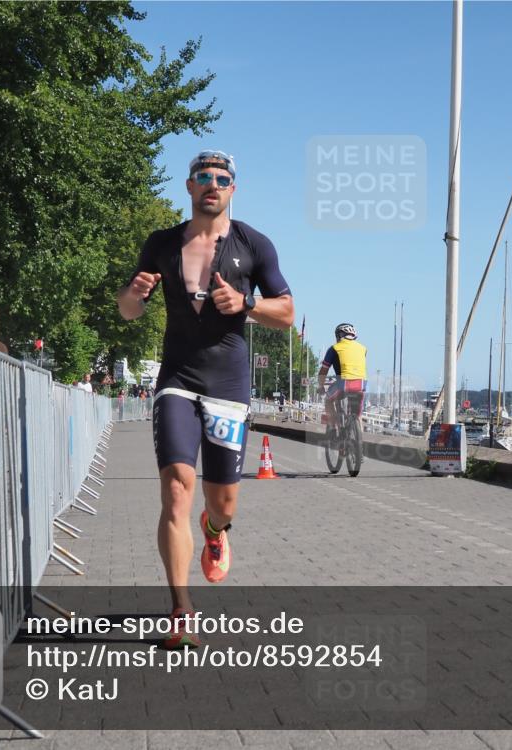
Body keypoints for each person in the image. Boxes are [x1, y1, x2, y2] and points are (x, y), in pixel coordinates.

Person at [117, 149, 293, 648]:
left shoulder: (253, 244)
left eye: (222, 178)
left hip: (228, 387)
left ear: (233, 188)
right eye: (203, 177)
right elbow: (128, 311)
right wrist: (135, 291)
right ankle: (181, 610)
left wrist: (248, 303)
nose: (212, 184)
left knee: (223, 500)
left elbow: (287, 310)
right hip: (177, 377)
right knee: (176, 487)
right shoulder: (162, 243)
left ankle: (215, 530)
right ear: (189, 187)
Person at [317, 323, 367, 428]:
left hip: (344, 384)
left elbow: (324, 370)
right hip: (361, 385)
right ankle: (359, 436)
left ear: (338, 335)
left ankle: (333, 426)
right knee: (358, 415)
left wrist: (321, 386)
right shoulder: (363, 349)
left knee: (328, 400)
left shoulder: (334, 348)